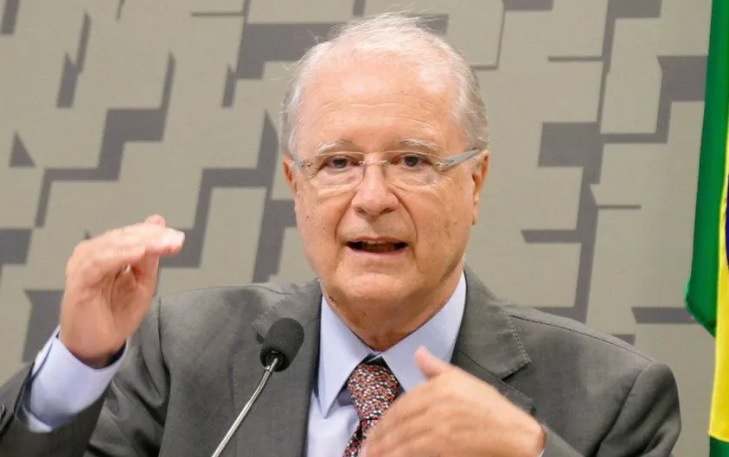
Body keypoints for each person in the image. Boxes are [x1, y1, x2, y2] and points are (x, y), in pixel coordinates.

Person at [0, 12, 679, 457]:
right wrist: (80, 363)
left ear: (474, 183)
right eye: (338, 163)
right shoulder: (184, 352)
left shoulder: (609, 394)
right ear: (296, 185)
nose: (372, 197)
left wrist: (531, 453)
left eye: (412, 160)